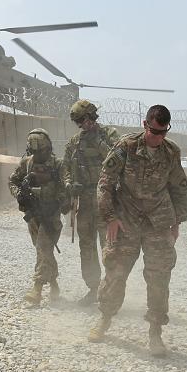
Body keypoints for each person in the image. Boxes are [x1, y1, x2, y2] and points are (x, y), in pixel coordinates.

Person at [88, 105, 187, 358]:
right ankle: (105, 318)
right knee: (116, 272)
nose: (158, 137)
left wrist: (177, 221)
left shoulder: (171, 152)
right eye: (154, 131)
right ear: (145, 125)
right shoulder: (126, 146)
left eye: (163, 132)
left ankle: (155, 332)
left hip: (158, 222)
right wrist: (110, 217)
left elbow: (179, 187)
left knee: (159, 278)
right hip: (127, 219)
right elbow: (105, 183)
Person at [63, 99, 119, 306]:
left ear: (92, 116)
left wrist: (97, 140)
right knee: (86, 247)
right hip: (85, 202)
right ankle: (94, 288)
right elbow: (65, 167)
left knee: (109, 246)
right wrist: (69, 184)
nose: (81, 125)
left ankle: (111, 289)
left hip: (106, 200)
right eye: (78, 122)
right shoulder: (75, 142)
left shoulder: (109, 134)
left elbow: (117, 159)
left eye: (83, 120)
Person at [9, 129, 70, 306]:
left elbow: (67, 186)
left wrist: (58, 201)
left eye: (41, 151)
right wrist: (19, 194)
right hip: (33, 214)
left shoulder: (58, 164)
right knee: (43, 250)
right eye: (34, 152)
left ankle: (37, 288)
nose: (38, 155)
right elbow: (12, 181)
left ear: (48, 148)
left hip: (50, 214)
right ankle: (54, 284)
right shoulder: (27, 163)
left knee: (43, 247)